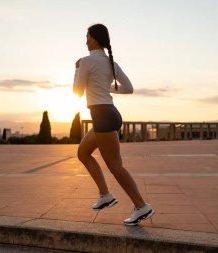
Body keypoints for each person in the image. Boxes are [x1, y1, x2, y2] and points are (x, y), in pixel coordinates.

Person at [73, 24, 154, 226]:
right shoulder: (111, 63)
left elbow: (77, 91)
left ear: (94, 39)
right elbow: (128, 89)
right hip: (110, 113)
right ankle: (105, 195)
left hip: (102, 115)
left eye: (87, 36)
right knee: (83, 153)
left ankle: (141, 206)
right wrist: (105, 87)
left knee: (115, 166)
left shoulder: (86, 61)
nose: (85, 40)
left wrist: (77, 69)